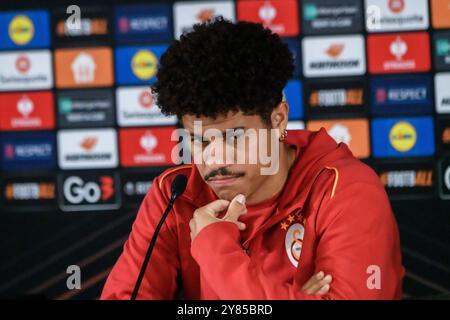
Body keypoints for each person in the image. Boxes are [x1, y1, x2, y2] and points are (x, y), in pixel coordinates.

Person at [101, 17, 404, 300]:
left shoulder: (346, 191)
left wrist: (214, 249)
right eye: (199, 139)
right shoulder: (174, 195)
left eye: (234, 137)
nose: (215, 158)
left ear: (278, 120)